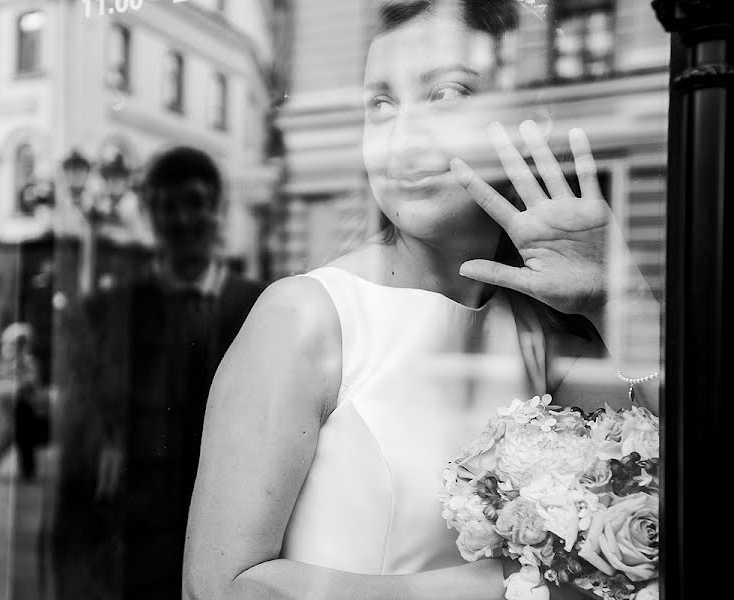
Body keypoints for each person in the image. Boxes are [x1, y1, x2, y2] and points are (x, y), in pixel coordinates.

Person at [183, 1, 660, 599]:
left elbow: (678, 450)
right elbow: (218, 587)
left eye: (446, 93)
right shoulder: (305, 317)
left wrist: (618, 299)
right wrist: (506, 587)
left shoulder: (534, 332)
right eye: (380, 103)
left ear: (524, 118)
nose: (402, 136)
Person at [51, 146, 265, 599]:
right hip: (133, 547)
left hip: (237, 548)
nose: (183, 220)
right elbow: (80, 453)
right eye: (167, 207)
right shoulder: (108, 315)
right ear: (150, 215)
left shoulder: (264, 309)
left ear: (218, 209)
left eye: (194, 202)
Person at [0, 322, 42, 480]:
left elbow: (31, 380)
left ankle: (23, 469)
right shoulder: (10, 358)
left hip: (19, 399)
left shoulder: (23, 359)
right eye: (20, 342)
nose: (22, 345)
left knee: (18, 433)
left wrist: (28, 386)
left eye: (23, 342)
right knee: (11, 431)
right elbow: (11, 380)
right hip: (9, 399)